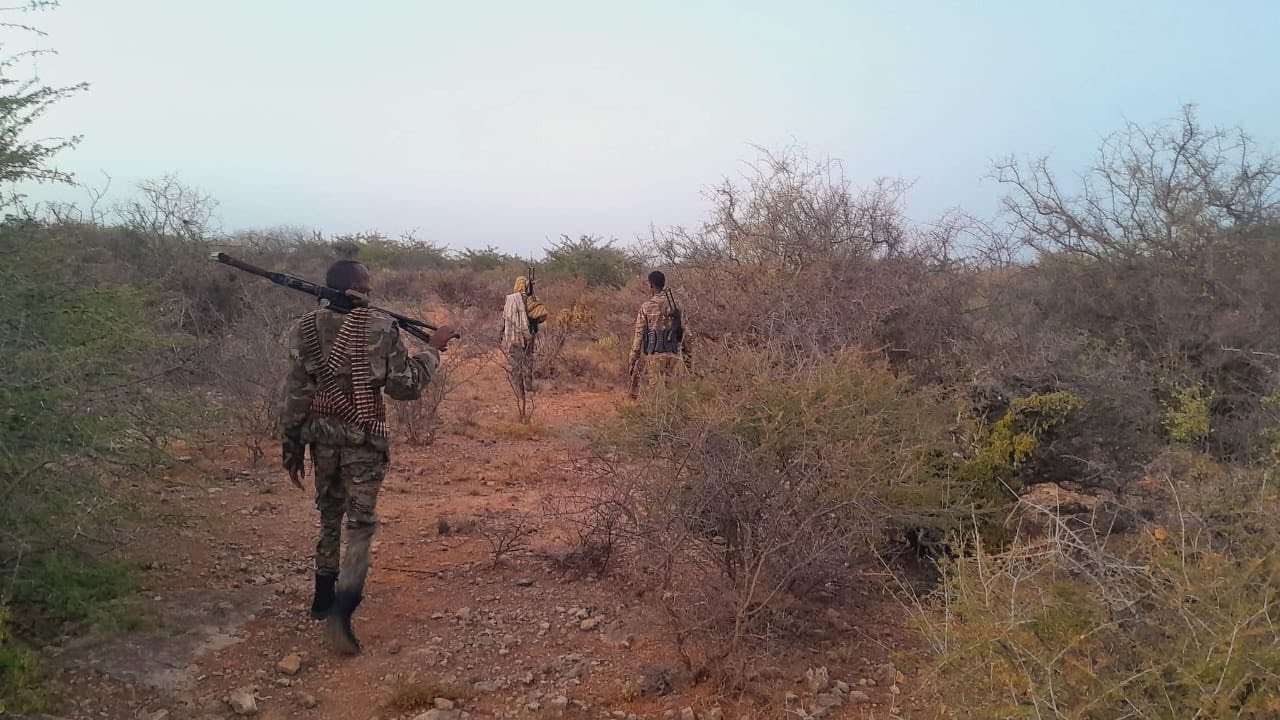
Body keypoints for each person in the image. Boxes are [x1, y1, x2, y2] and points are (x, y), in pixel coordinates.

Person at [279, 259, 455, 655]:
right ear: (354, 288)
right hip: (363, 441)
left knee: (328, 515)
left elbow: (295, 394)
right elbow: (405, 386)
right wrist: (432, 350)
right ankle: (342, 614)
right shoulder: (379, 327)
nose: (371, 291)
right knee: (359, 526)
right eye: (366, 284)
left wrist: (291, 449)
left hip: (321, 440)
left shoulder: (304, 328)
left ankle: (322, 599)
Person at [628, 270, 690, 397]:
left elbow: (639, 336)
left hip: (654, 358)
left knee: (655, 397)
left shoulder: (646, 307)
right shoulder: (676, 305)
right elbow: (687, 334)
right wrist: (689, 358)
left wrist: (632, 359)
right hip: (674, 356)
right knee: (674, 395)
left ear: (651, 285)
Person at [501, 275, 548, 405]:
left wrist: (502, 335)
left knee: (516, 364)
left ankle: (520, 392)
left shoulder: (510, 300)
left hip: (514, 336)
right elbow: (541, 317)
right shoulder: (531, 299)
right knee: (528, 360)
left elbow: (505, 319)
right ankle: (529, 386)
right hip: (529, 335)